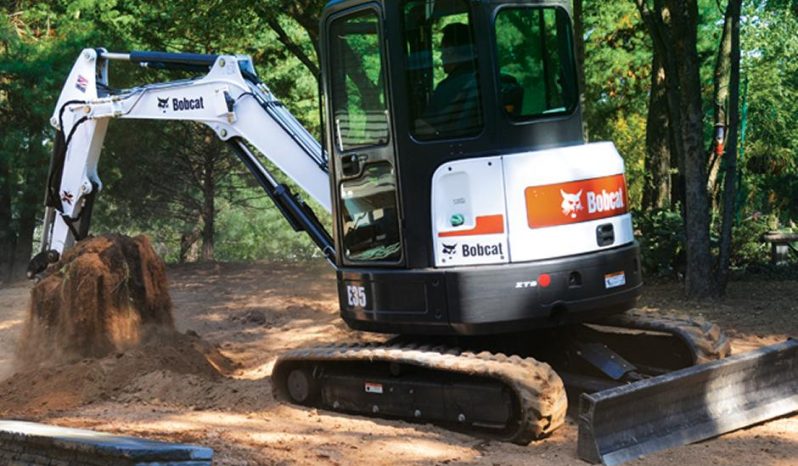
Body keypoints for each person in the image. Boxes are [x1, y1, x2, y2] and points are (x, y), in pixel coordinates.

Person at [417, 23, 482, 138]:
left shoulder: (447, 88)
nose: (441, 57)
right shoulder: (482, 78)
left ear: (450, 51)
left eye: (442, 50)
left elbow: (424, 129)